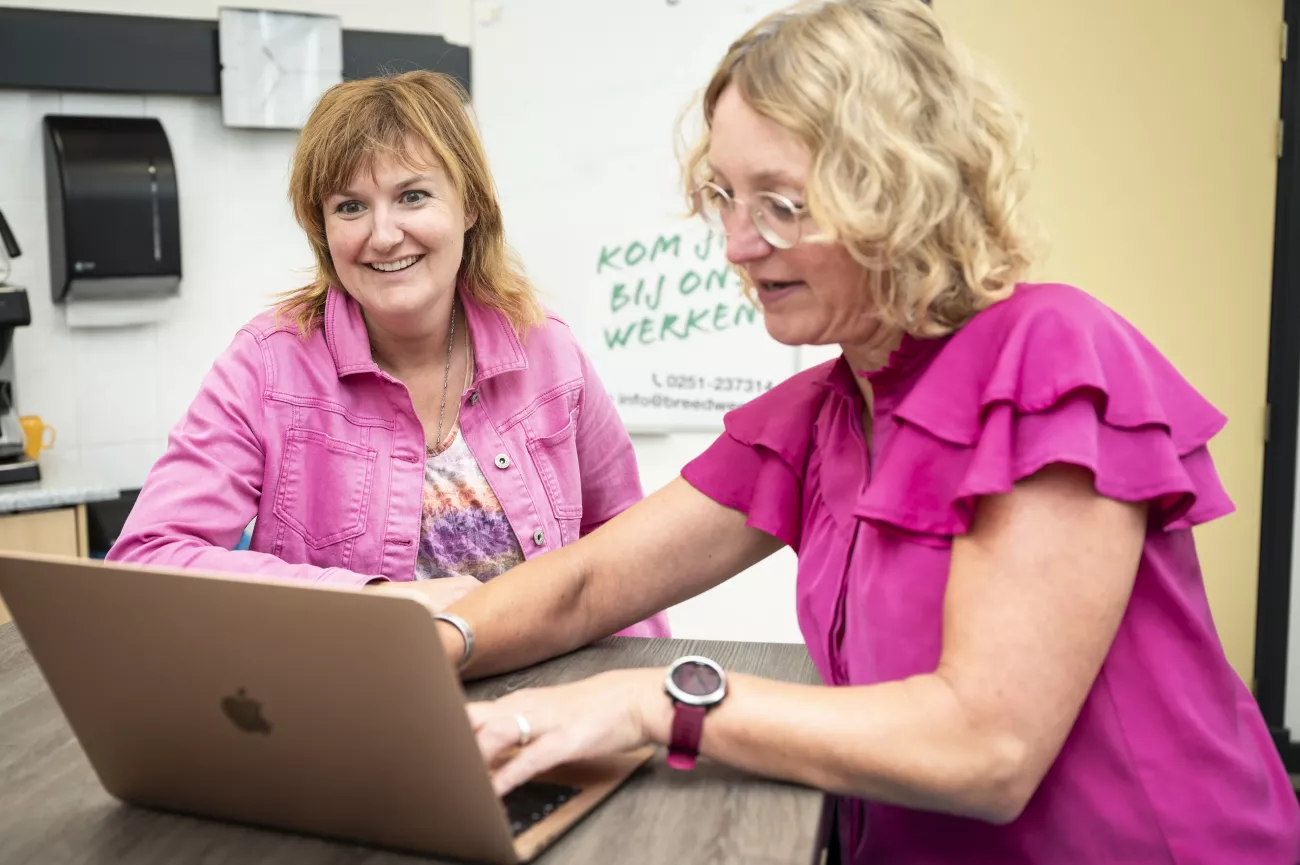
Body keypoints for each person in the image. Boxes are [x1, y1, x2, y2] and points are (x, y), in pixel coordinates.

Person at [394, 2, 1299, 862]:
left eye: (781, 202)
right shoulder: (827, 409)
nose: (739, 245)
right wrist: (411, 658)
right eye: (726, 197)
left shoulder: (1051, 357)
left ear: (902, 189)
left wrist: (650, 702)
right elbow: (588, 582)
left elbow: (988, 745)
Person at [108, 71, 669, 639]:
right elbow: (148, 558)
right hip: (356, 709)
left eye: (413, 196)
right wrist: (377, 601)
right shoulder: (267, 364)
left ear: (470, 204)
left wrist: (638, 696)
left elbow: (624, 546)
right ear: (322, 228)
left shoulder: (547, 348)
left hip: (551, 709)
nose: (382, 235)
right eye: (350, 206)